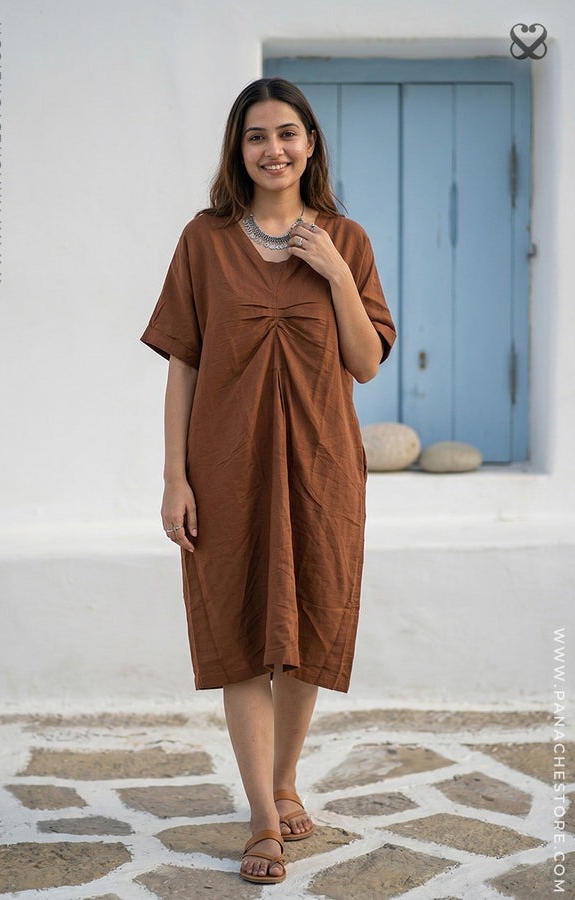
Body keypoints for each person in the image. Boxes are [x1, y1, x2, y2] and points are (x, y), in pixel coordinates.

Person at [141, 77, 396, 885]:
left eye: (288, 133)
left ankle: (286, 778)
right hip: (225, 470)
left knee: (310, 636)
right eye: (257, 136)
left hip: (322, 468)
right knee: (243, 640)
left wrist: (329, 271)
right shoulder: (204, 240)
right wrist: (176, 477)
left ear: (310, 144)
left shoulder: (345, 240)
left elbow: (365, 361)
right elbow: (183, 361)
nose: (274, 149)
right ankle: (261, 815)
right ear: (238, 150)